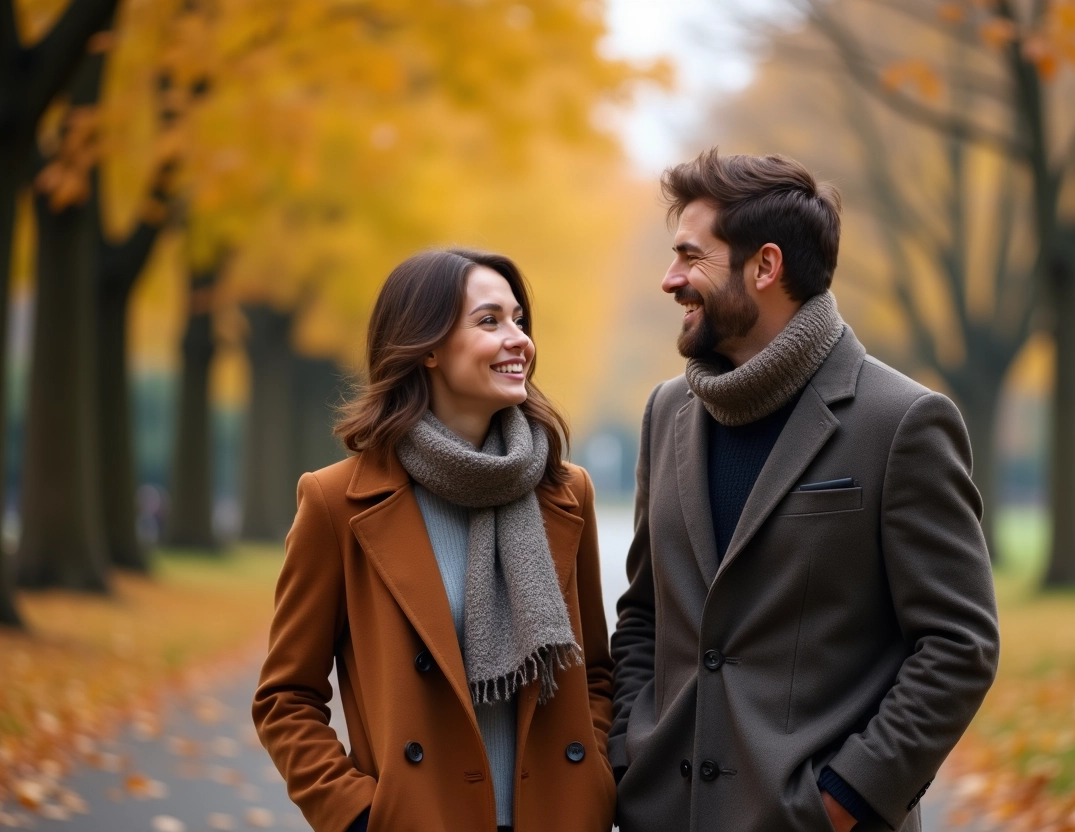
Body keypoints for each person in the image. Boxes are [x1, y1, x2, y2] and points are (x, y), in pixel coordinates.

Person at [609, 149, 1000, 832]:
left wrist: (845, 801)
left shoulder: (901, 421)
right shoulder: (665, 413)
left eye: (691, 257)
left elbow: (958, 644)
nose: (671, 280)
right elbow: (645, 613)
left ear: (765, 266)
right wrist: (629, 754)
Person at [253, 249, 616, 832]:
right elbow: (286, 698)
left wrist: (593, 777)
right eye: (490, 321)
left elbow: (594, 671)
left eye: (519, 320)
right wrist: (358, 815)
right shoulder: (337, 502)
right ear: (426, 347)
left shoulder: (567, 492)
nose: (519, 340)